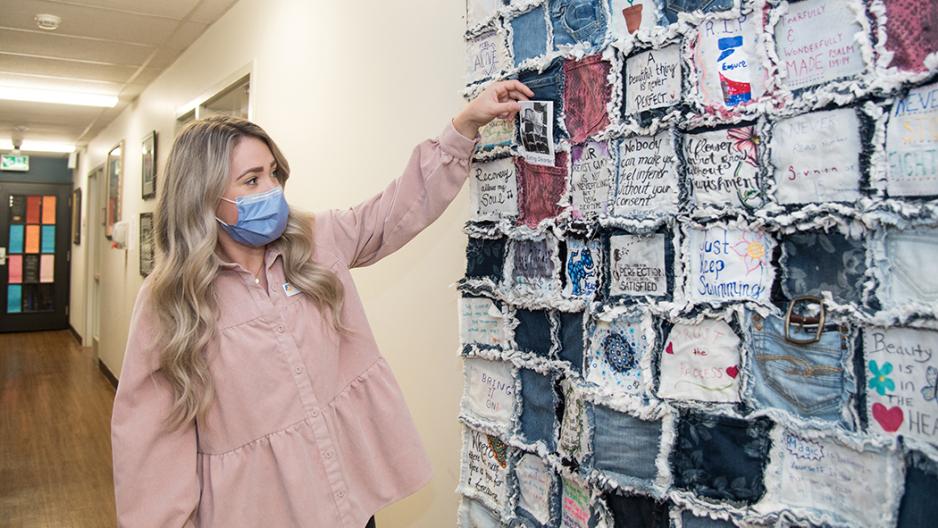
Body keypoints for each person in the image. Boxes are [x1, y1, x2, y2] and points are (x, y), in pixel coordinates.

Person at [109, 79, 533, 528]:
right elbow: (149, 442)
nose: (273, 189)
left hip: (344, 501)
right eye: (252, 180)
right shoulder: (170, 300)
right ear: (203, 197)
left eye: (274, 173)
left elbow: (396, 210)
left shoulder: (315, 241)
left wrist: (462, 126)